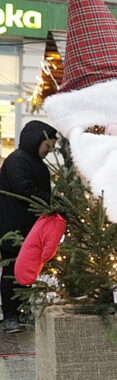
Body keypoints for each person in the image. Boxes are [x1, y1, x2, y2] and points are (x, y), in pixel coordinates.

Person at [0, 120, 58, 333]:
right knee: (11, 270)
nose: (49, 152)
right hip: (12, 228)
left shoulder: (35, 162)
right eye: (47, 146)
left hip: (28, 228)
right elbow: (26, 190)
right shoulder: (17, 161)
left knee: (26, 269)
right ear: (37, 141)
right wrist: (52, 202)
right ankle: (10, 315)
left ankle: (22, 309)